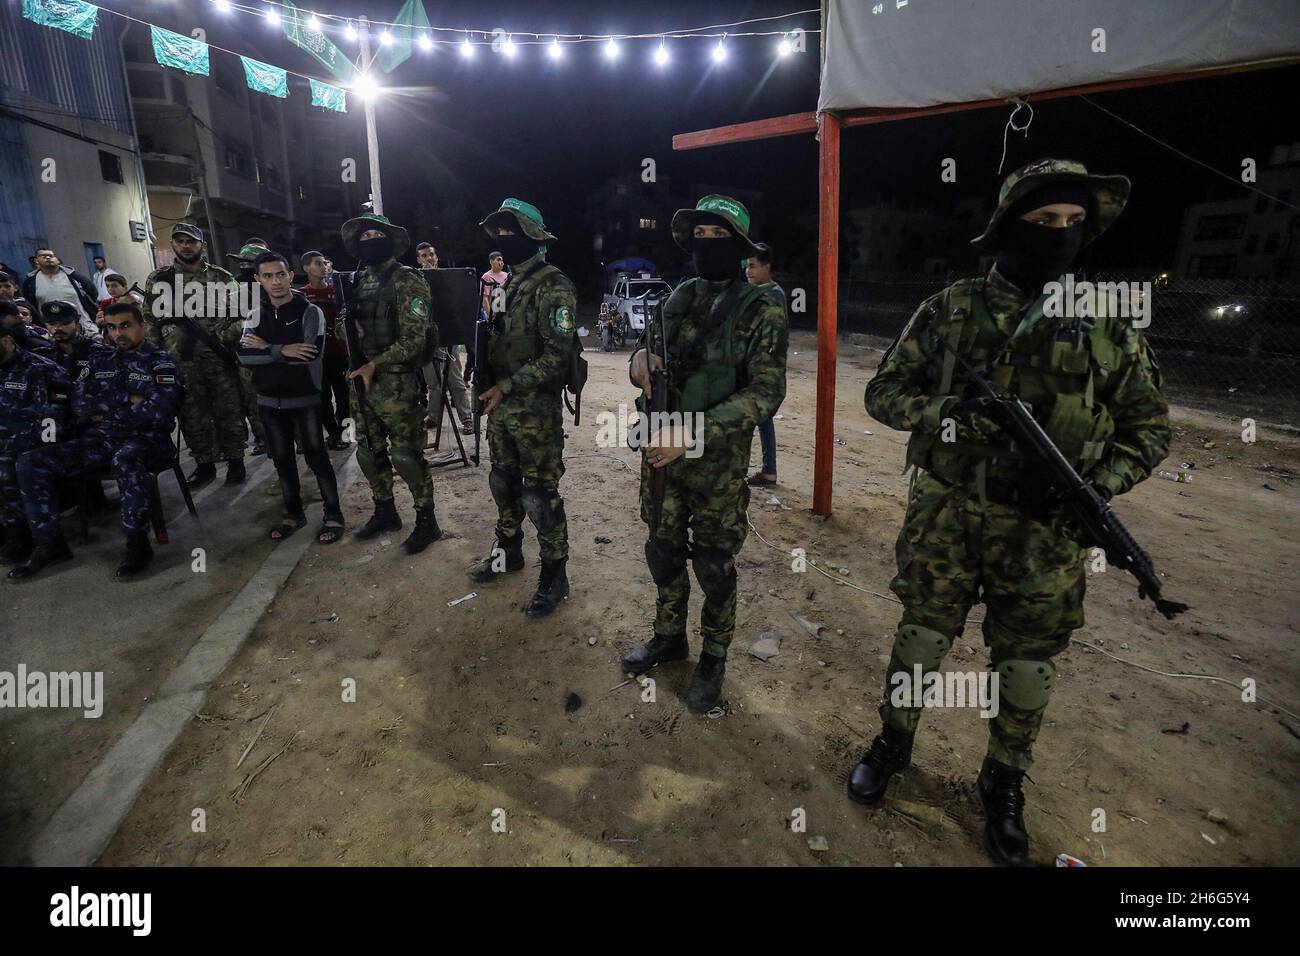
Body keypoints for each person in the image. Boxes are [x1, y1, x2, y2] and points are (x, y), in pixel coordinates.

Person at [849, 158, 1170, 867]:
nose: (1061, 234)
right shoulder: (951, 309)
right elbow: (884, 393)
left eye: (1074, 224)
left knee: (1025, 664)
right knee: (922, 639)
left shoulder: (1107, 321)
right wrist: (950, 417)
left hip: (1046, 534)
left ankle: (1003, 782)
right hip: (947, 517)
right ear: (1008, 228)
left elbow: (1148, 431)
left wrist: (1095, 485)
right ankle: (893, 743)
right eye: (1045, 221)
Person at [619, 195, 789, 712]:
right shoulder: (680, 297)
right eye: (700, 236)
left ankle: (713, 659)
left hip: (714, 462)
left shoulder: (762, 305)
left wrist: (690, 434)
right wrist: (639, 361)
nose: (706, 245)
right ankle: (670, 636)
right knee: (663, 551)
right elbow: (655, 356)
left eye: (718, 237)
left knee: (714, 565)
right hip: (662, 454)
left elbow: (765, 393)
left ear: (739, 247)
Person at [468, 198, 583, 618]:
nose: (503, 240)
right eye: (498, 233)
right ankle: (508, 551)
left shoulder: (554, 285)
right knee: (502, 482)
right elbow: (494, 338)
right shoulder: (507, 284)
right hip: (501, 407)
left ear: (533, 237)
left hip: (534, 410)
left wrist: (508, 385)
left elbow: (559, 354)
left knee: (539, 494)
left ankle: (555, 573)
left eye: (511, 232)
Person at [11, 301, 183, 580]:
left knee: (125, 458)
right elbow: (80, 404)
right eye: (112, 328)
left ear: (143, 326)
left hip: (148, 443)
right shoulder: (101, 360)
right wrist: (129, 400)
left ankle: (137, 543)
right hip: (101, 441)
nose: (118, 334)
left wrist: (106, 410)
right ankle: (50, 543)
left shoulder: (161, 362)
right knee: (30, 462)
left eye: (125, 326)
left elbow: (157, 412)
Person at [341, 213, 442, 555]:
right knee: (369, 451)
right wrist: (348, 330)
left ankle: (426, 521)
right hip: (362, 381)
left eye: (376, 234)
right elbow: (342, 327)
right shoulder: (356, 281)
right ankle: (385, 511)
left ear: (389, 240)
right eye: (365, 235)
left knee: (405, 454)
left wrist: (375, 364)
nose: (370, 239)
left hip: (397, 382)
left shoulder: (408, 279)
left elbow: (415, 338)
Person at [239, 251, 345, 544]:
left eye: (281, 274)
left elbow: (310, 355)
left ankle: (334, 514)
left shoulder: (311, 312)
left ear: (290, 276)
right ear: (258, 279)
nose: (276, 281)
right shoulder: (255, 315)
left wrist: (267, 348)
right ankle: (293, 514)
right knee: (283, 460)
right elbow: (243, 355)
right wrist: (283, 349)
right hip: (269, 402)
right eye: (268, 276)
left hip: (305, 399)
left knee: (317, 458)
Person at [145, 222, 246, 488]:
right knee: (192, 415)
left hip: (219, 358)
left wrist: (229, 344)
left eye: (191, 241)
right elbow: (150, 321)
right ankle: (204, 465)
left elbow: (240, 315)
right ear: (173, 245)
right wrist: (157, 360)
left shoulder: (222, 277)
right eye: (180, 241)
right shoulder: (159, 279)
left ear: (202, 245)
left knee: (229, 411)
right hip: (180, 362)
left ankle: (236, 461)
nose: (186, 246)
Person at [0, 306, 72, 567]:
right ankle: (13, 531)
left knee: (11, 462)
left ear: (7, 340)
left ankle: (38, 538)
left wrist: (24, 438)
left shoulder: (40, 369)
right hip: (7, 442)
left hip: (35, 442)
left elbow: (55, 420)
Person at [299, 251, 350, 450]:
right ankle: (333, 433)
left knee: (344, 397)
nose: (324, 267)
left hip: (339, 354)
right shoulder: (302, 296)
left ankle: (347, 434)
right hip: (316, 357)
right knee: (322, 399)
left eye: (324, 263)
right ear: (306, 268)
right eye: (318, 263)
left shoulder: (336, 292)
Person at [744, 242, 784, 487]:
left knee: (753, 417)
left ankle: (766, 471)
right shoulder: (764, 291)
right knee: (762, 419)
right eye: (746, 266)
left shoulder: (771, 294)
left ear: (766, 267)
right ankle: (769, 471)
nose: (747, 271)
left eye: (752, 266)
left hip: (763, 369)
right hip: (759, 367)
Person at [227, 242, 272, 457]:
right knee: (253, 402)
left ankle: (297, 437)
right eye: (241, 262)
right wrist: (243, 325)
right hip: (246, 357)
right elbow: (222, 329)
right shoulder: (233, 291)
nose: (244, 267)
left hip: (277, 356)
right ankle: (263, 439)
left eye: (249, 263)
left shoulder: (277, 288)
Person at [22, 248, 99, 337]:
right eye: (43, 256)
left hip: (83, 325)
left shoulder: (74, 276)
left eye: (51, 256)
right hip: (53, 330)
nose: (47, 258)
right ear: (36, 260)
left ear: (57, 260)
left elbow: (92, 293)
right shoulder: (31, 282)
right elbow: (29, 302)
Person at [480, 252, 507, 316]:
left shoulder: (506, 275)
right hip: (493, 312)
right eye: (498, 260)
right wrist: (490, 317)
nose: (501, 263)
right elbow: (484, 299)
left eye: (502, 260)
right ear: (491, 262)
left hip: (505, 313)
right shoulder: (486, 276)